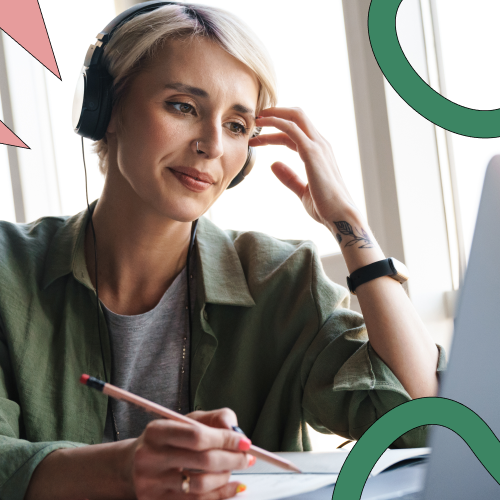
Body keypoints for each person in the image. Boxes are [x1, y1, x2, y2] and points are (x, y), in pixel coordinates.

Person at [0, 2, 445, 500]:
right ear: (107, 110)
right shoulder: (6, 269)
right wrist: (125, 471)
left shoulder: (282, 279)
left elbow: (426, 428)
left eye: (237, 125)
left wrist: (350, 224)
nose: (212, 144)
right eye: (183, 106)